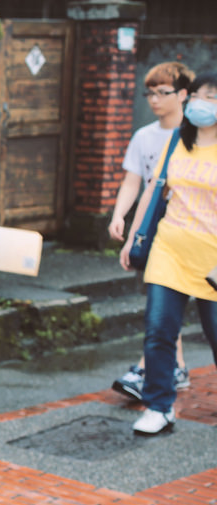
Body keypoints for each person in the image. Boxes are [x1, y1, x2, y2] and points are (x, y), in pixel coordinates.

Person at [118, 71, 217, 435]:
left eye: (214, 97)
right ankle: (159, 406)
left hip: (213, 261)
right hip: (170, 250)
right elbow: (152, 190)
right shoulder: (177, 141)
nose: (205, 104)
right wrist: (133, 237)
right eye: (202, 96)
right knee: (158, 331)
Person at [108, 62, 196, 401]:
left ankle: (153, 368)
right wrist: (121, 218)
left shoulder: (197, 138)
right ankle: (172, 367)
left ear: (183, 95)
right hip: (152, 229)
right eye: (150, 93)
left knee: (169, 303)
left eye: (163, 92)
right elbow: (135, 181)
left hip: (189, 231)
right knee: (163, 301)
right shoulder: (144, 136)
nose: (155, 100)